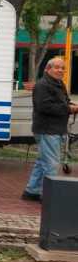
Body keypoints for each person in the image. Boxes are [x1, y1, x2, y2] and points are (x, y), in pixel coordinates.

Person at [22, 57, 78, 201]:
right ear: (47, 69)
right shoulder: (43, 85)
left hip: (54, 129)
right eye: (57, 67)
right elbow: (45, 106)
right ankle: (48, 196)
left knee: (43, 161)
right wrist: (69, 109)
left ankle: (32, 191)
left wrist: (72, 106)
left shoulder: (58, 84)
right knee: (51, 164)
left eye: (63, 68)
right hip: (47, 129)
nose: (60, 70)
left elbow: (62, 103)